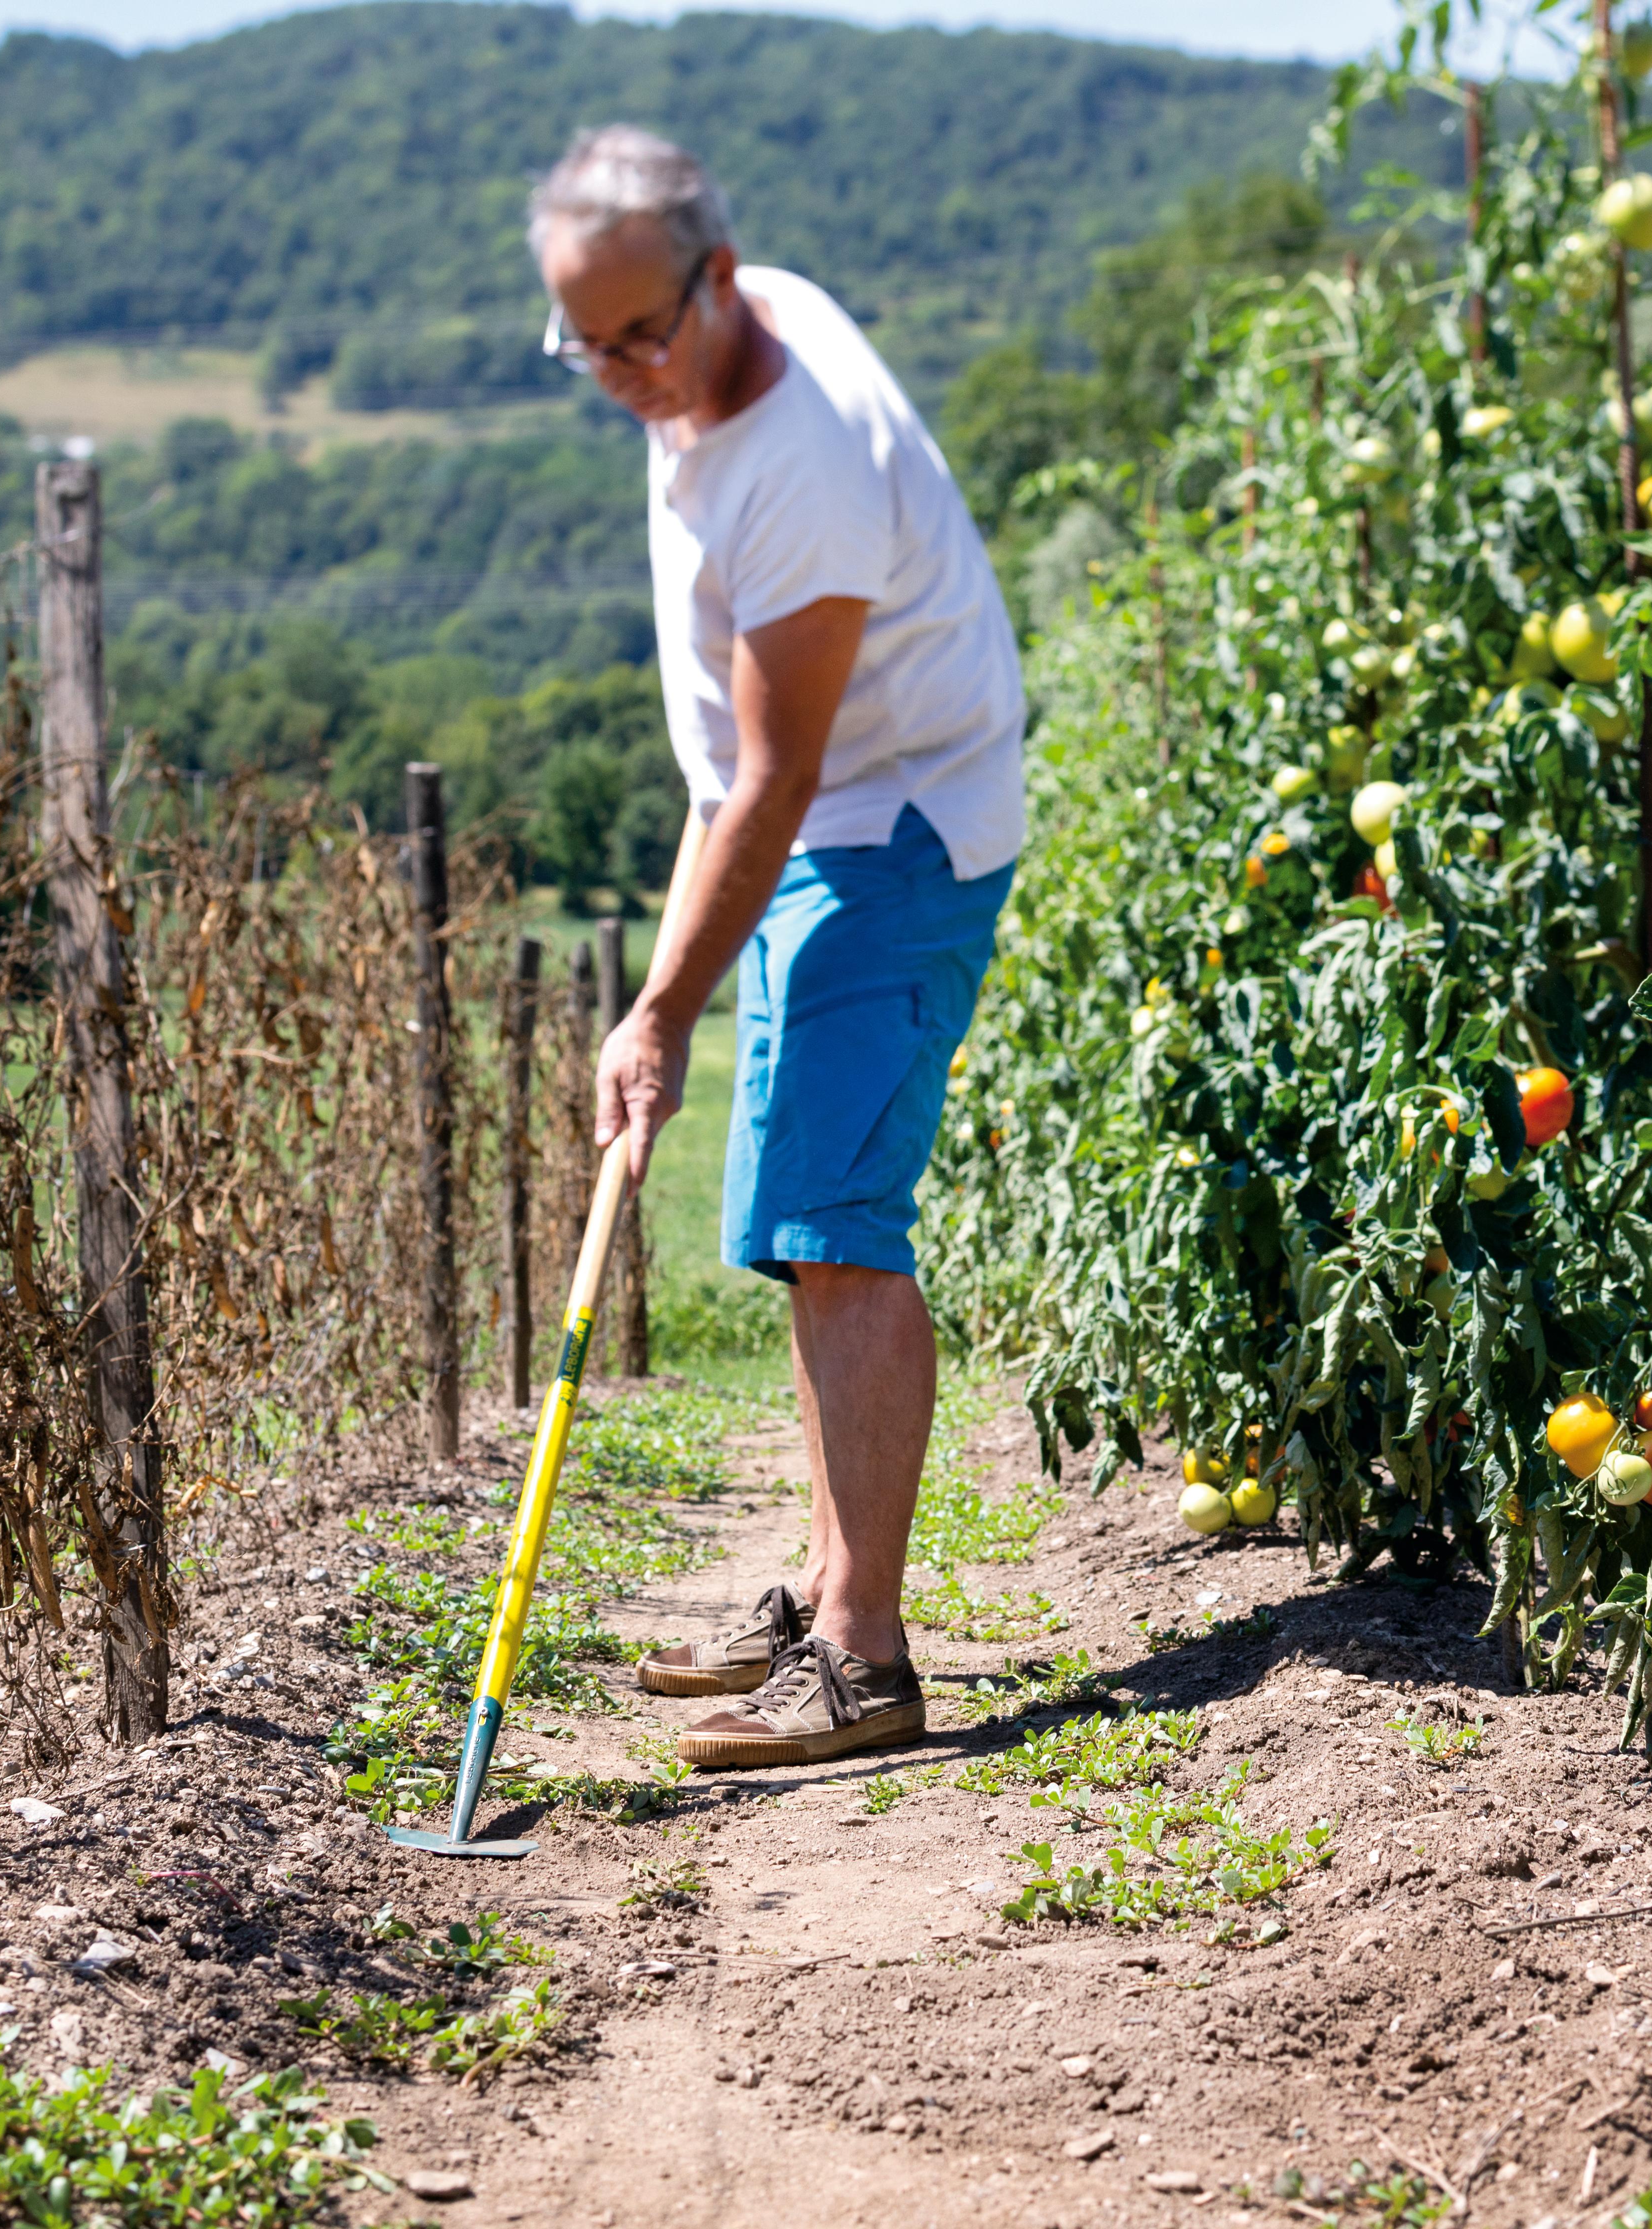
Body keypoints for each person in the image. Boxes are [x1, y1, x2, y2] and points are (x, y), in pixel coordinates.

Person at [526, 126, 1023, 1769]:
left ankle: (866, 1665)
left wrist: (661, 1010)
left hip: (894, 829)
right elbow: (734, 783)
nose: (617, 373)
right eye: (583, 343)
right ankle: (822, 1597)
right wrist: (668, 993)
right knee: (797, 1224)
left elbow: (776, 774)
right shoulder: (704, 351)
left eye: (638, 336)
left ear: (717, 279)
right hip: (820, 826)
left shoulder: (798, 461)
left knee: (836, 1220)